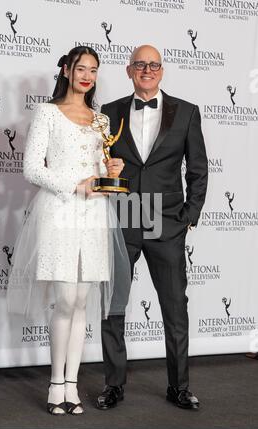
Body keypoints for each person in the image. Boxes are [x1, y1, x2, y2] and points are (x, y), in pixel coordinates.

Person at [6, 46, 130, 416]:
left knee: (81, 302)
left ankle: (72, 385)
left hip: (93, 214)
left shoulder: (101, 121)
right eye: (80, 68)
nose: (87, 75)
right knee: (63, 300)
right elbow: (31, 168)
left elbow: (100, 169)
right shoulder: (46, 113)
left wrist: (113, 169)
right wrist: (74, 185)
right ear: (65, 70)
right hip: (59, 210)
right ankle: (55, 384)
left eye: (93, 69)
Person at [97, 45, 208, 410]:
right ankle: (113, 385)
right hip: (124, 218)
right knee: (113, 308)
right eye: (140, 64)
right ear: (129, 70)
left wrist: (189, 216)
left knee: (175, 309)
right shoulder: (109, 112)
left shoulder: (187, 112)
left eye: (154, 65)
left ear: (162, 71)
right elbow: (97, 163)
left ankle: (179, 386)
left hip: (167, 222)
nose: (147, 70)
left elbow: (197, 169)